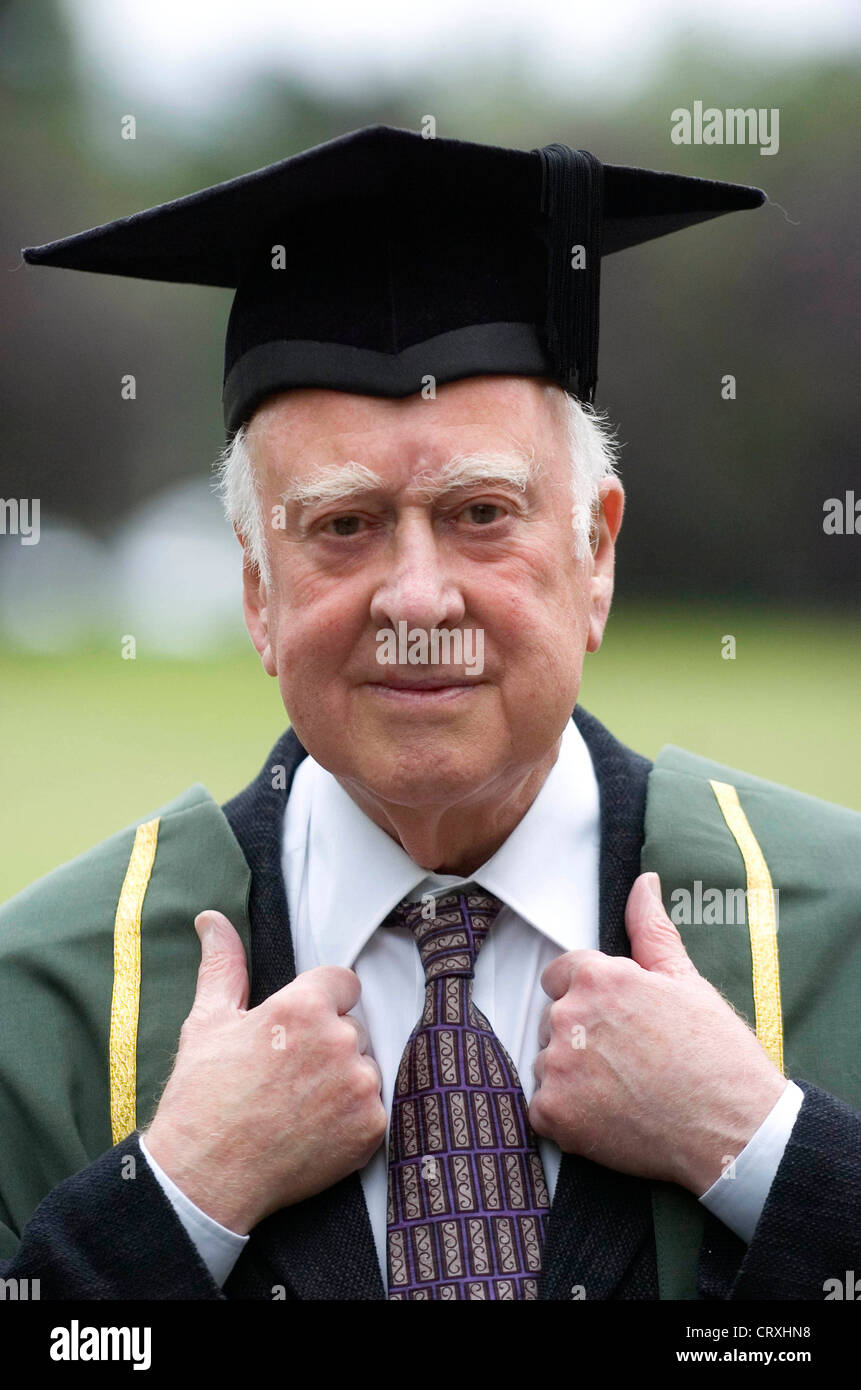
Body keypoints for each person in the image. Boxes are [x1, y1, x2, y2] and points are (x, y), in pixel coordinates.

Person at [2, 125, 859, 1301]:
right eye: (343, 526)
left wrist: (766, 1148)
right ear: (258, 589)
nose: (415, 599)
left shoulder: (836, 938)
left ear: (595, 552)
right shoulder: (44, 1007)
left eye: (481, 512)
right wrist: (177, 1196)